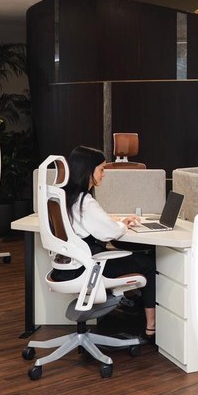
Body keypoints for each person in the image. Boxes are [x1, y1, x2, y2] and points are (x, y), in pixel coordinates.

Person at [59, 146, 157, 341]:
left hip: (69, 266)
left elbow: (92, 222)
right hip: (90, 268)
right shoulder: (85, 202)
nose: (104, 174)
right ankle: (151, 329)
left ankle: (136, 311)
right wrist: (122, 224)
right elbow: (110, 232)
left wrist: (115, 220)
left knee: (135, 258)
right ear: (89, 170)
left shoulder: (65, 197)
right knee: (149, 264)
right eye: (101, 169)